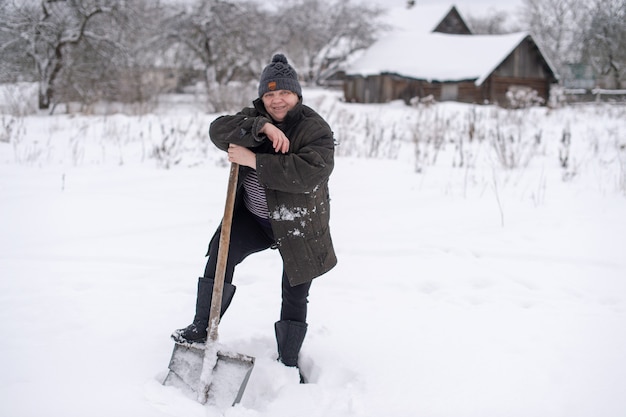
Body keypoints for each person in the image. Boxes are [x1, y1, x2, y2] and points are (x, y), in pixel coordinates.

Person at [172, 54, 337, 376]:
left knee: (295, 288)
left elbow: (309, 173)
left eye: (284, 94)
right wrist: (261, 127)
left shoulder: (314, 129)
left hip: (297, 225)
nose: (277, 100)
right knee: (221, 253)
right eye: (269, 94)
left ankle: (288, 357)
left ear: (297, 96)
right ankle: (202, 328)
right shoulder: (253, 118)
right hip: (255, 220)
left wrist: (253, 160)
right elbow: (218, 129)